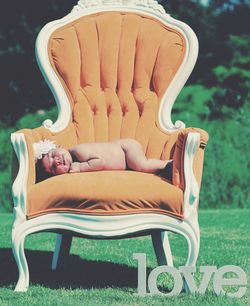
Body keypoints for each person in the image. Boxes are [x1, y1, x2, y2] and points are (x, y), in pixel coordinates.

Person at [34, 139, 172, 178]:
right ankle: (164, 168)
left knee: (142, 165)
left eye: (52, 155)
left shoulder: (78, 151)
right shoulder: (74, 161)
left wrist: (82, 168)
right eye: (53, 168)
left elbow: (100, 162)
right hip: (125, 160)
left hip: (125, 149)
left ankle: (168, 165)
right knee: (143, 168)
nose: (56, 161)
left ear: (58, 146)